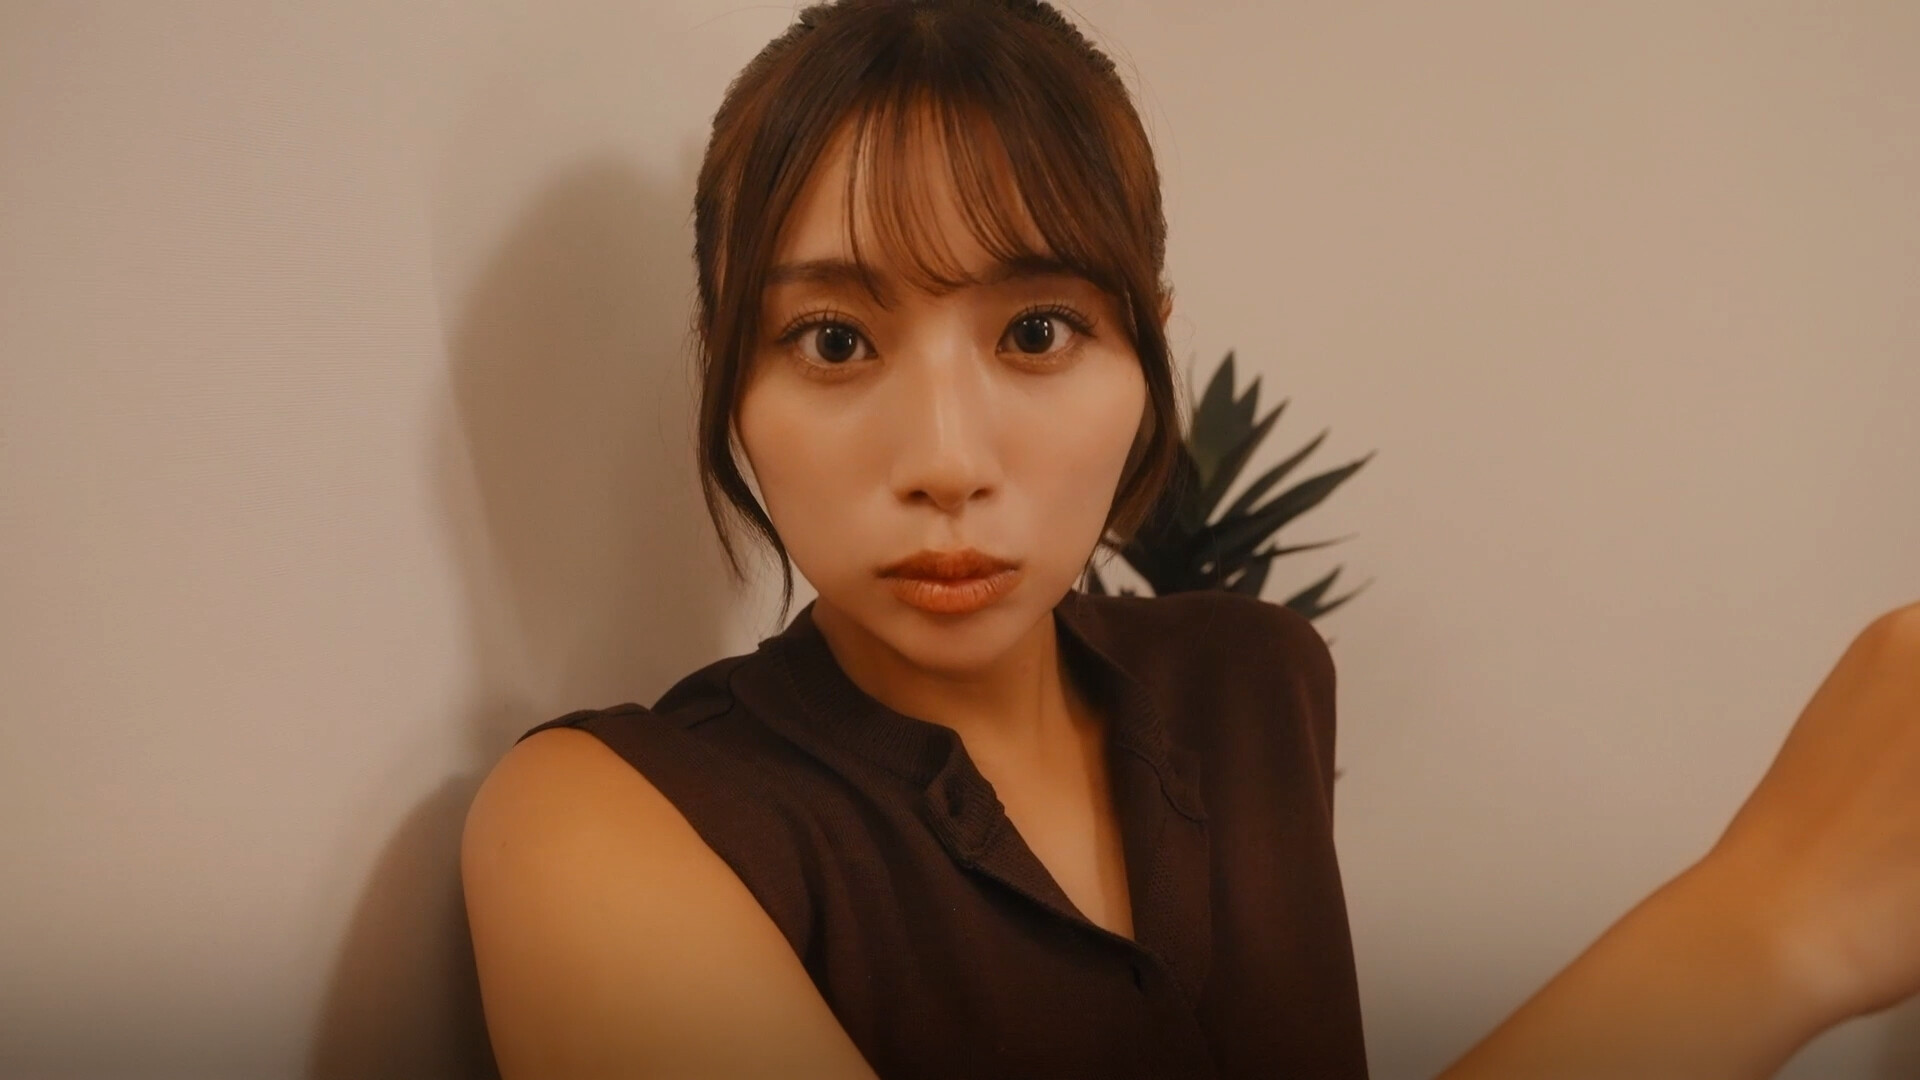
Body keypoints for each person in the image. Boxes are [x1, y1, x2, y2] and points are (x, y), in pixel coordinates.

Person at [460, 2, 1920, 1076]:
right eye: (834, 340)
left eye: (1039, 332)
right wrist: (1762, 929)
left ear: (1150, 349)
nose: (946, 462)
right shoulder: (603, 830)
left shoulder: (1254, 681)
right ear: (727, 369)